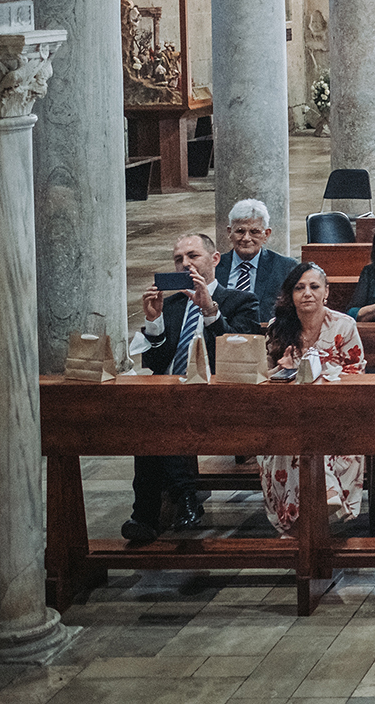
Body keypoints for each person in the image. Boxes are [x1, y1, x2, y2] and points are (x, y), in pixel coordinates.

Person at [121, 232, 261, 542]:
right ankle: (164, 509)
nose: (185, 263)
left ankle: (162, 506)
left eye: (192, 256)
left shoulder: (241, 301)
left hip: (221, 398)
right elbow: (156, 364)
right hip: (173, 396)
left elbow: (240, 351)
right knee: (152, 421)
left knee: (159, 421)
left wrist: (211, 312)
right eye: (178, 259)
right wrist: (154, 321)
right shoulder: (170, 306)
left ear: (214, 260)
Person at [258, 263, 367, 535]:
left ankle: (306, 522)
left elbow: (356, 373)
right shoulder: (278, 328)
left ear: (325, 292)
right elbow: (263, 378)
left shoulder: (344, 324)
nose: (307, 293)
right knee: (293, 441)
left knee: (312, 438)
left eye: (314, 287)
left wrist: (320, 372)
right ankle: (308, 517)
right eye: (299, 288)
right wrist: (284, 369)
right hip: (289, 415)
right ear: (290, 295)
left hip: (336, 413)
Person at [220, 198, 299, 325]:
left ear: (266, 234)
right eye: (240, 231)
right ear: (230, 232)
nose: (246, 238)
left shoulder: (286, 268)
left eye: (254, 232)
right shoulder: (215, 267)